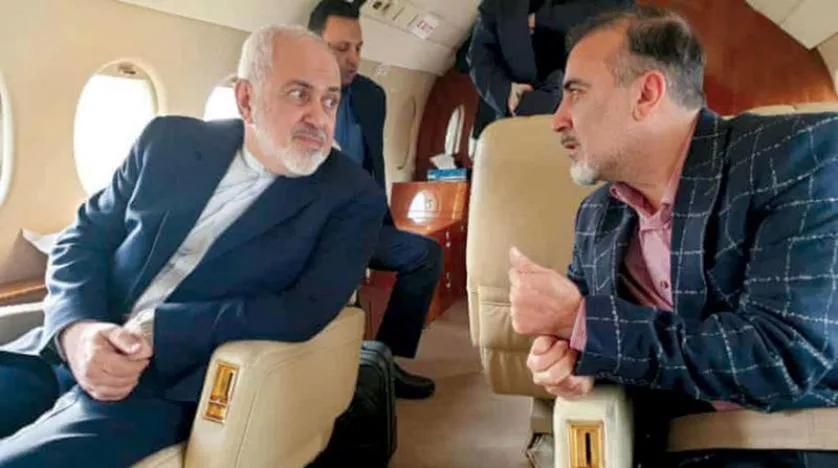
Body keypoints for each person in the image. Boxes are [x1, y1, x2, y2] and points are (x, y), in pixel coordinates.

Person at [0, 25, 387, 466]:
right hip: (63, 351)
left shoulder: (352, 197)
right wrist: (78, 330)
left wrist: (159, 329)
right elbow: (83, 238)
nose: (319, 118)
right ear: (246, 99)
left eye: (330, 100)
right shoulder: (168, 143)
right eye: (299, 95)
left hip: (162, 384)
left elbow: (304, 308)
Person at [508, 6, 838, 467]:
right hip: (666, 444)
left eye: (576, 93)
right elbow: (592, 339)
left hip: (799, 441)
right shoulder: (596, 217)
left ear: (646, 94)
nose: (557, 119)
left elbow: (779, 356)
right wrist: (569, 364)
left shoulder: (796, 156)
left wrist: (583, 323)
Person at [308, 0, 442, 400]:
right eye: (340, 48)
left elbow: (373, 166)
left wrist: (378, 220)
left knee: (426, 255)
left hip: (364, 224)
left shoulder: (372, 96)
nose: (353, 58)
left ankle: (384, 360)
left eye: (358, 48)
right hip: (312, 230)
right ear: (313, 45)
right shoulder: (295, 95)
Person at [467, 0, 633, 139]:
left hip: (587, 107)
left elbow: (617, 9)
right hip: (518, 113)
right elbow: (478, 57)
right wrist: (507, 94)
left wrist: (541, 19)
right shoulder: (496, 4)